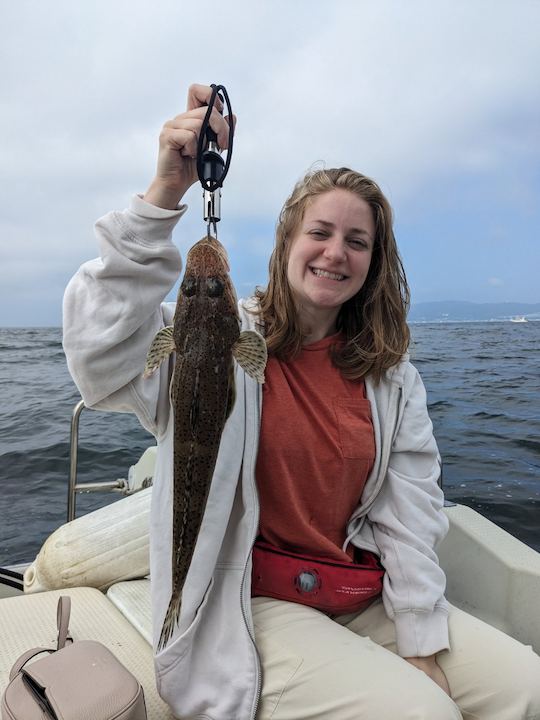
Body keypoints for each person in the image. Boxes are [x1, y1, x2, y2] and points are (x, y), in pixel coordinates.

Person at [63, 83, 540, 720]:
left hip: (357, 590)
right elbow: (98, 351)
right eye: (320, 231)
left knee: (529, 688)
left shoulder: (391, 377)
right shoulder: (224, 342)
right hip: (246, 596)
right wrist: (166, 193)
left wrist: (421, 638)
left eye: (357, 240)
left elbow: (410, 511)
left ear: (374, 261)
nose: (335, 251)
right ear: (288, 240)